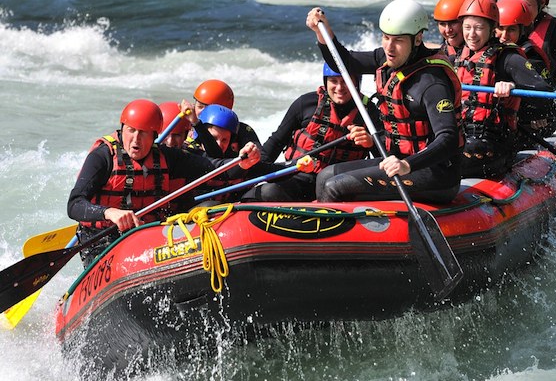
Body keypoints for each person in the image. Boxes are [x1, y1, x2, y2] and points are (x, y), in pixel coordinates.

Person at [305, 0, 465, 204]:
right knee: (325, 175)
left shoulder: (432, 83)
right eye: (385, 38)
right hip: (397, 162)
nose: (389, 47)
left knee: (335, 186)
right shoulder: (389, 59)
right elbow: (345, 62)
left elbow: (448, 139)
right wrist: (322, 32)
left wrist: (408, 165)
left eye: (398, 40)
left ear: (417, 39)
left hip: (435, 175)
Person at [67, 99, 261, 267]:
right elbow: (74, 204)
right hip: (102, 239)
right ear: (122, 129)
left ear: (154, 136)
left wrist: (244, 163)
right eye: (131, 131)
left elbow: (216, 169)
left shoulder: (169, 157)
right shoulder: (103, 157)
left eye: (143, 133)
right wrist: (110, 213)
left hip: (147, 236)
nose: (135, 139)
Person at [243, 63, 379, 202]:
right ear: (326, 82)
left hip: (341, 185)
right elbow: (276, 142)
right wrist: (256, 169)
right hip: (300, 178)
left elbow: (384, 157)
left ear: (357, 82)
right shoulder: (306, 103)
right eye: (334, 81)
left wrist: (371, 142)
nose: (339, 87)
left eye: (345, 81)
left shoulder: (370, 112)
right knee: (267, 191)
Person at [455, 0, 554, 177]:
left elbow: (546, 95)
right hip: (462, 137)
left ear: (492, 28)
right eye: (467, 27)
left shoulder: (508, 58)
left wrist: (514, 89)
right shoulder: (461, 56)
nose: (471, 34)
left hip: (494, 145)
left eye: (479, 28)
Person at [495, 0, 556, 137]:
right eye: (500, 28)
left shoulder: (532, 57)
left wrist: (540, 113)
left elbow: (550, 99)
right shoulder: (488, 50)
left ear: (522, 30)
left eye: (511, 29)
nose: (504, 36)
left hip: (532, 120)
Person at [182, 78, 262, 159]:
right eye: (200, 107)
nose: (203, 112)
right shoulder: (184, 127)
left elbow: (263, 160)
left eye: (210, 109)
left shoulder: (242, 130)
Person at [432, 0, 468, 69]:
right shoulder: (442, 53)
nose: (448, 30)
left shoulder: (493, 55)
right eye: (442, 24)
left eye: (453, 23)